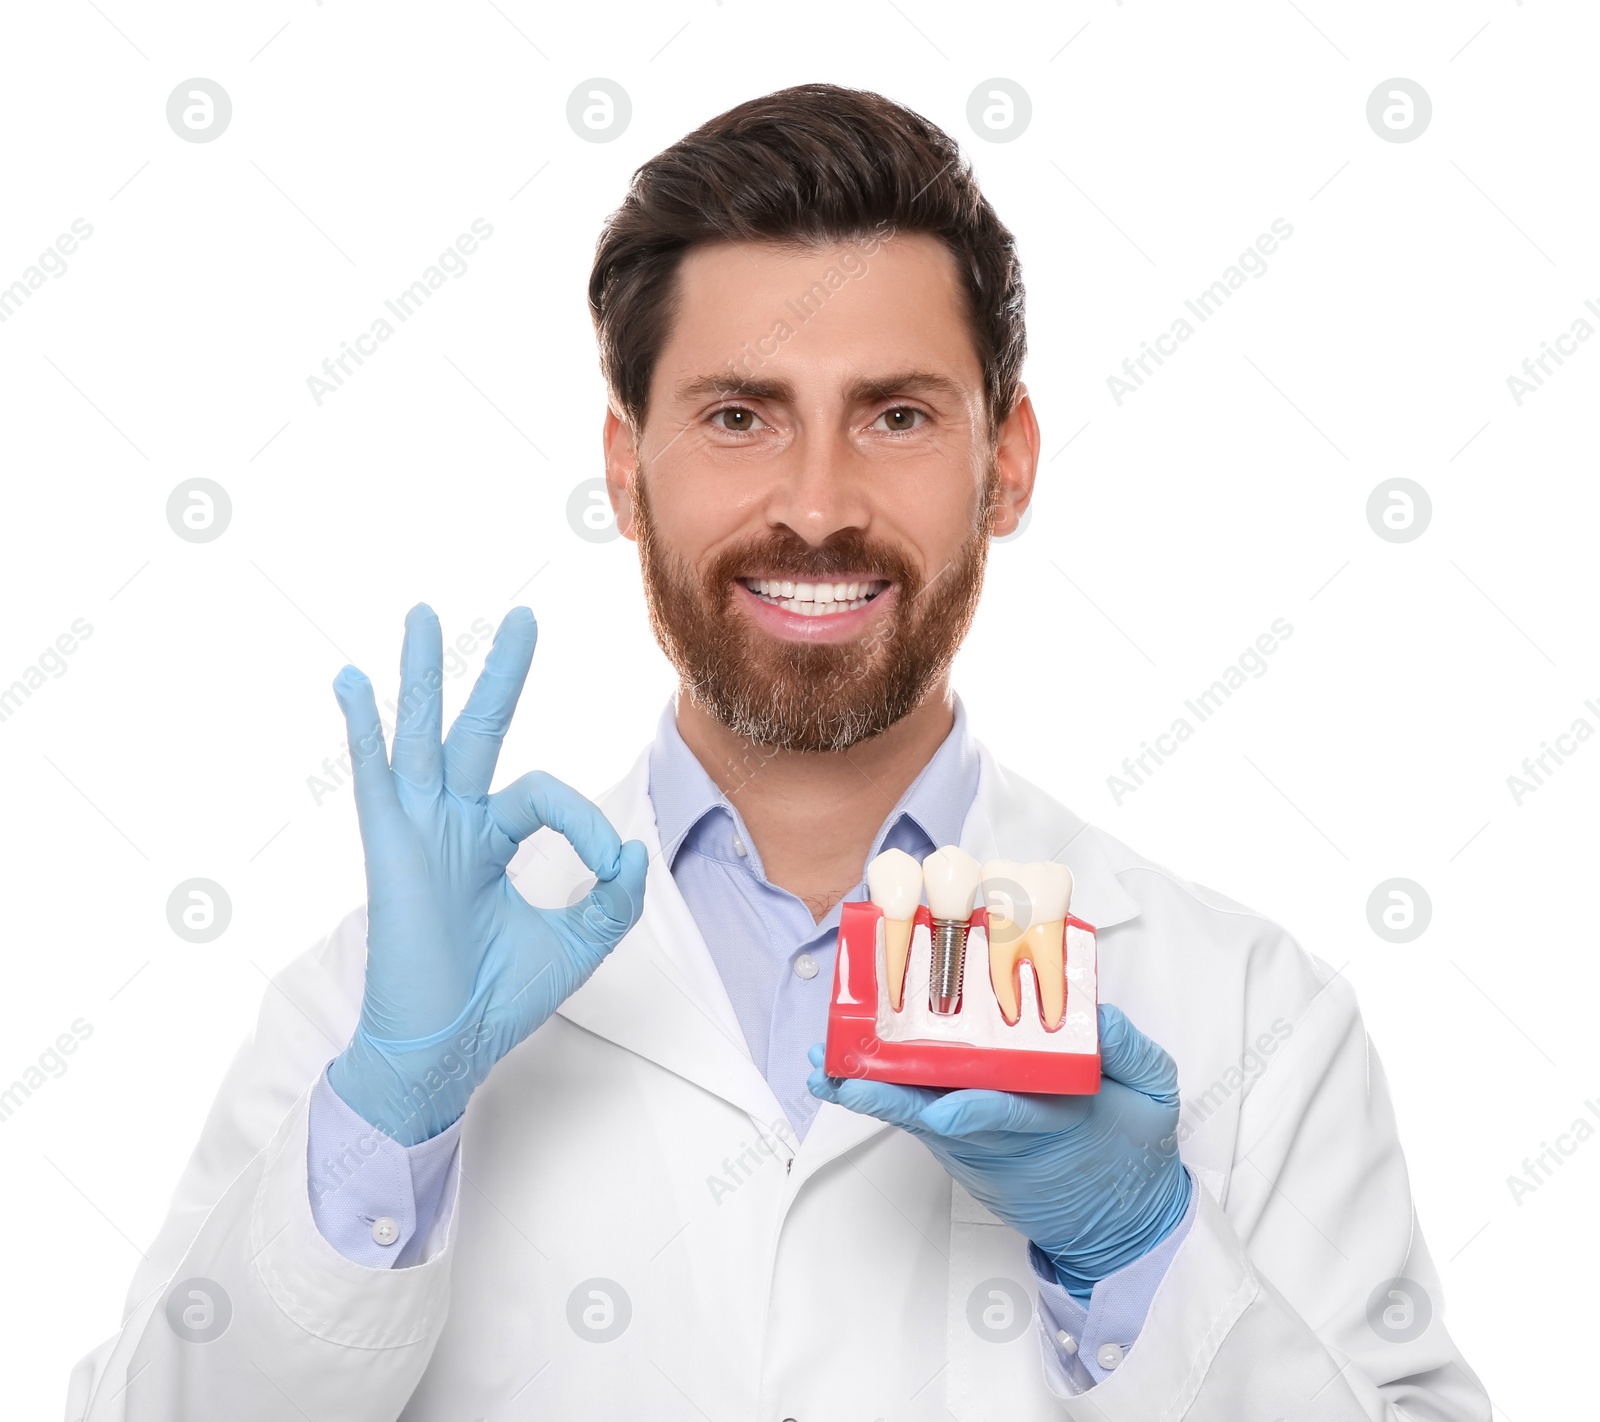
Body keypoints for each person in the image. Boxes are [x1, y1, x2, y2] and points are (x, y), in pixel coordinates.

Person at [68, 84, 1490, 1421]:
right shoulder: (377, 1003)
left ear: (1009, 462)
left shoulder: (1254, 1014)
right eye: (739, 416)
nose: (817, 505)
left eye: (899, 414)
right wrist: (386, 1122)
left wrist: (1140, 1255)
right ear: (627, 468)